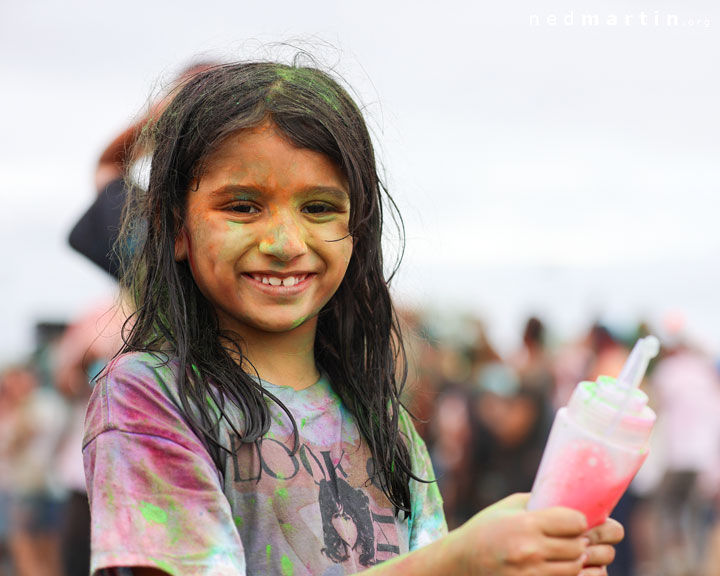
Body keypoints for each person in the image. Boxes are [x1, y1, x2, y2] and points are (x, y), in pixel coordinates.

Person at [83, 60, 623, 575]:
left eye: (319, 207)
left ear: (356, 231)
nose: (284, 243)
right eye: (242, 205)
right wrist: (456, 562)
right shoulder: (146, 396)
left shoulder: (386, 423)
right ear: (176, 226)